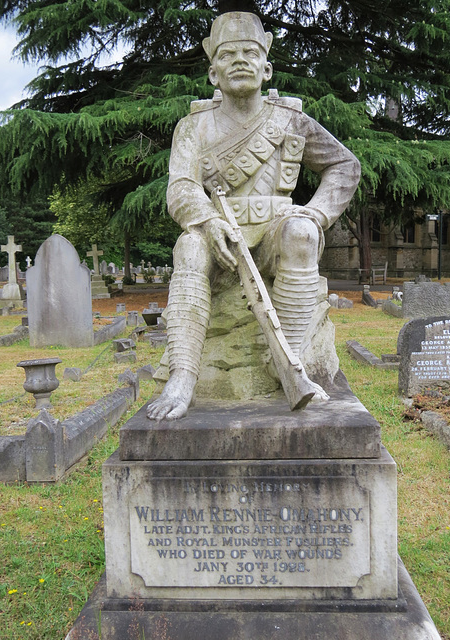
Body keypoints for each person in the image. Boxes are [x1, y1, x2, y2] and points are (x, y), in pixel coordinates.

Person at [147, 11, 361, 421]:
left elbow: (345, 167)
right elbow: (181, 188)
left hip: (271, 242)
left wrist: (315, 215)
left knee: (301, 233)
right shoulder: (192, 128)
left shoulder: (290, 120)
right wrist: (209, 223)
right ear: (213, 72)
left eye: (250, 53)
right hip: (218, 242)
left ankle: (290, 365)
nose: (240, 61)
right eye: (228, 55)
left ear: (267, 68)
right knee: (188, 246)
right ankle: (183, 377)